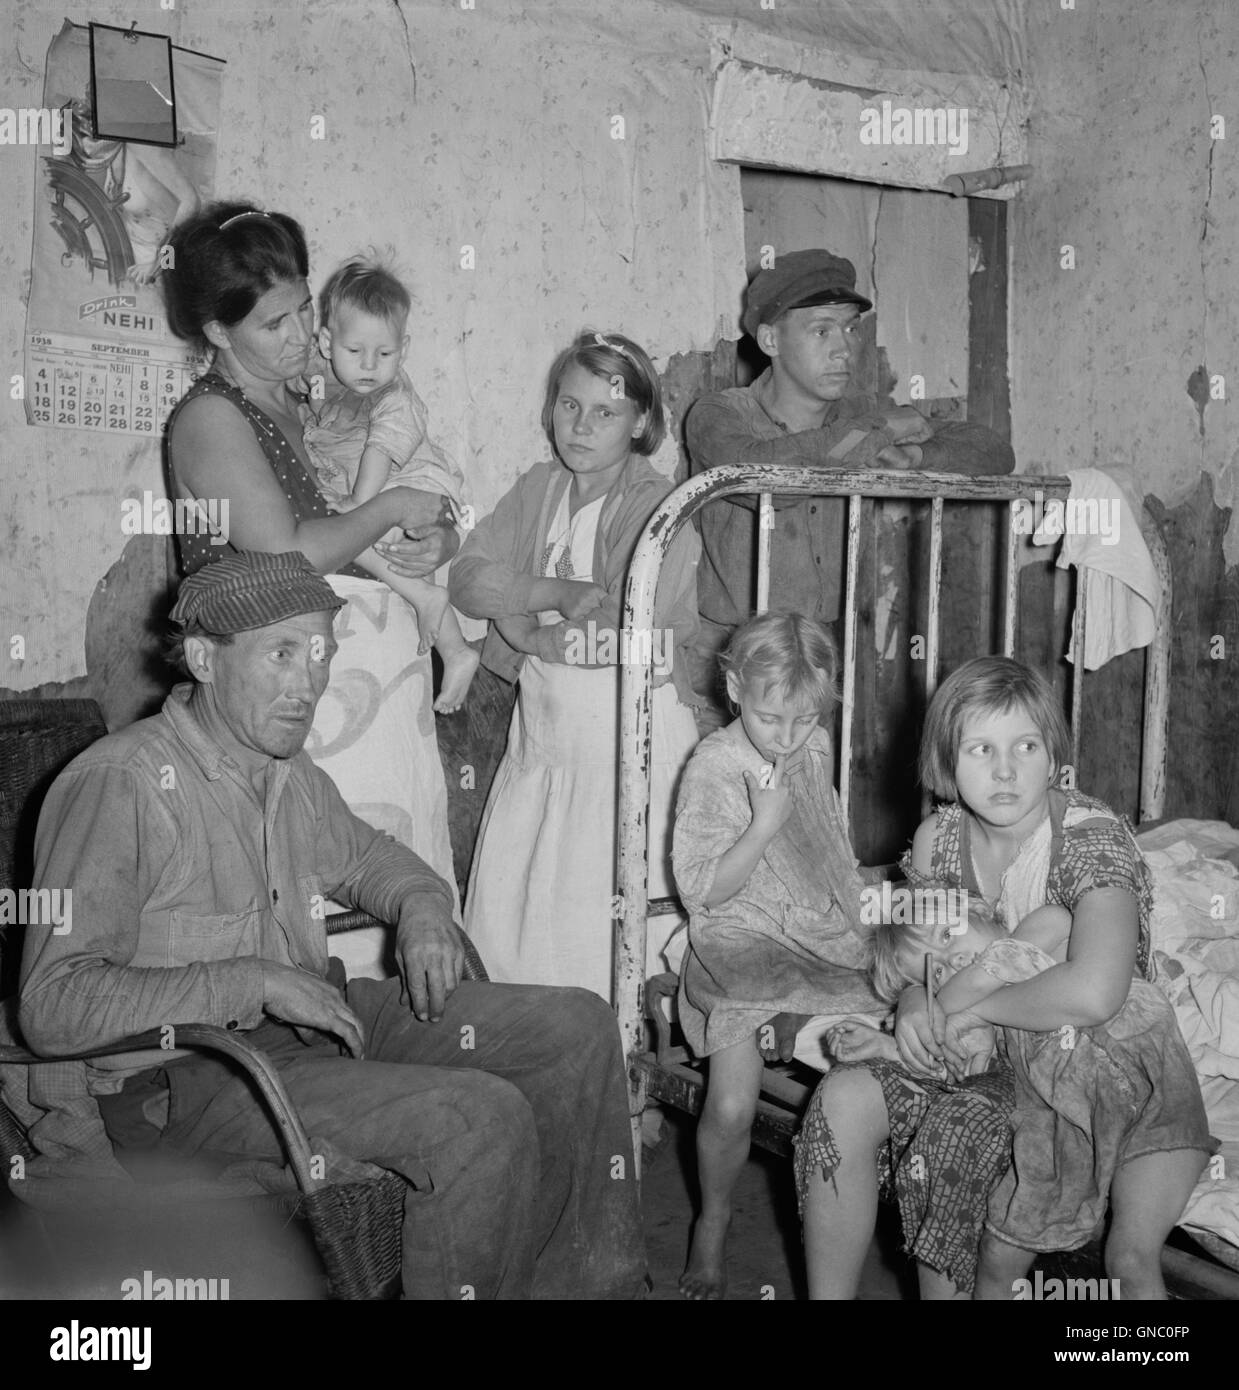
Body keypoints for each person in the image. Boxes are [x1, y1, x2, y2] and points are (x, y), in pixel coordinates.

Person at [17, 551, 646, 1301]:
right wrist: (253, 981)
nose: (308, 683)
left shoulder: (284, 770)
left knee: (575, 1025)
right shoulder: (122, 784)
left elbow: (375, 859)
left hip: (312, 1023)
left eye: (319, 654)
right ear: (203, 659)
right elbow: (52, 1008)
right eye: (281, 653)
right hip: (187, 1079)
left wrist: (422, 906)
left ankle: (589, 1288)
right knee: (475, 1118)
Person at [794, 657, 1213, 1300]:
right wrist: (911, 1001)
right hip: (982, 1054)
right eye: (980, 748)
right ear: (946, 760)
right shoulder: (940, 838)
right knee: (841, 1099)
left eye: (1026, 745)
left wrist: (965, 1008)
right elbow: (924, 948)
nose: (1006, 769)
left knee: (955, 1132)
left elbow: (1095, 992)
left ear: (1054, 756)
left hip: (1080, 1061)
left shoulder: (1088, 840)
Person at [162, 201, 461, 975]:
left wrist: (435, 535)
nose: (301, 339)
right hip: (296, 700)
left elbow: (407, 483)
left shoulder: (316, 396)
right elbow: (289, 551)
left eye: (303, 312)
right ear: (219, 332)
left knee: (400, 895)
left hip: (381, 695)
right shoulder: (209, 420)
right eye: (274, 326)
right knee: (327, 920)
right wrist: (390, 509)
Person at [449, 331, 700, 999]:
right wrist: (543, 603)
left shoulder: (660, 506)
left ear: (641, 420)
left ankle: (620, 1082)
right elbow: (468, 579)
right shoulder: (539, 489)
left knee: (601, 937)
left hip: (621, 747)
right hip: (543, 747)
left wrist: (523, 624)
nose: (581, 426)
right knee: (519, 930)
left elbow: (622, 631)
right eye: (568, 405)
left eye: (606, 411)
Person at [684, 249, 1015, 708]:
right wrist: (878, 432)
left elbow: (994, 450)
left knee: (809, 778)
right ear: (769, 340)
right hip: (725, 663)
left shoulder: (858, 416)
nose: (844, 347)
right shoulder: (719, 414)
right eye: (822, 329)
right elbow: (764, 476)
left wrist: (916, 455)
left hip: (816, 655)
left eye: (851, 328)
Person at [859, 888, 1214, 1299]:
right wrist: (893, 1043)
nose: (952, 958)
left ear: (979, 912)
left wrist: (942, 999)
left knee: (1129, 1261)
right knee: (995, 1256)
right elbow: (945, 1063)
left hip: (1157, 1106)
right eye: (935, 971)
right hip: (1067, 1135)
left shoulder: (1046, 929)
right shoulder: (981, 1026)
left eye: (946, 934)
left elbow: (1005, 960)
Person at [671, 611, 879, 1300]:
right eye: (770, 720)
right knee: (730, 1106)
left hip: (814, 935)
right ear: (733, 689)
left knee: (903, 1026)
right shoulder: (714, 765)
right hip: (740, 944)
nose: (787, 738)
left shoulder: (809, 743)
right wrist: (761, 826)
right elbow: (703, 892)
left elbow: (827, 845)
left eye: (804, 719)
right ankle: (713, 1220)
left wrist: (857, 915)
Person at [299, 254, 479, 713]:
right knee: (394, 550)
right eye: (355, 351)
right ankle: (454, 647)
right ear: (325, 341)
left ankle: (446, 634)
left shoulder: (394, 394)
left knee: (365, 531)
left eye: (385, 353)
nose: (369, 365)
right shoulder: (316, 374)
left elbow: (380, 449)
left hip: (413, 478)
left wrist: (360, 505)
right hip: (382, 489)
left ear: (404, 347)